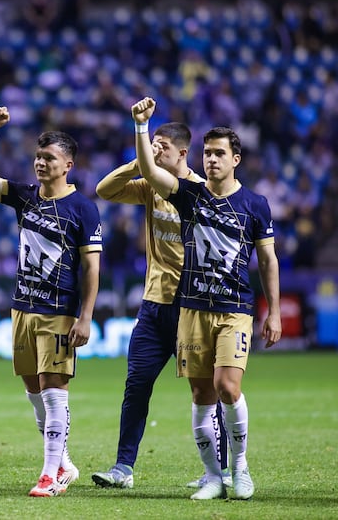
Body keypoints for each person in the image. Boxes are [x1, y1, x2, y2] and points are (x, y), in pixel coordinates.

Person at [131, 97, 281, 500]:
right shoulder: (189, 196)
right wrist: (142, 127)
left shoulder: (255, 205)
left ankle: (241, 468)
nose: (211, 159)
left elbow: (267, 259)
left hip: (235, 310)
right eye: (207, 153)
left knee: (227, 387)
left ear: (236, 159)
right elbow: (148, 170)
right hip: (192, 309)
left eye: (219, 154)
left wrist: (275, 313)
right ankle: (213, 476)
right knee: (201, 395)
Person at [0, 107, 100, 497]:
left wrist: (84, 316)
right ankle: (64, 461)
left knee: (53, 388)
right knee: (33, 389)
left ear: (68, 165)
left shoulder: (83, 209)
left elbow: (92, 268)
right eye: (38, 158)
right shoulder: (25, 197)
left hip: (58, 312)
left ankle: (49, 474)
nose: (41, 164)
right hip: (22, 307)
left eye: (49, 159)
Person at [92, 122, 231, 489]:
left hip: (192, 308)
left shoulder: (202, 191)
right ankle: (123, 467)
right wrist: (139, 164)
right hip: (153, 306)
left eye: (161, 146)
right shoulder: (152, 187)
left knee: (205, 392)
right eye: (151, 144)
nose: (154, 150)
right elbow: (104, 190)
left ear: (182, 153)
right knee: (136, 384)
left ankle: (220, 469)